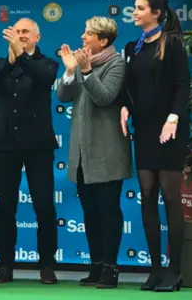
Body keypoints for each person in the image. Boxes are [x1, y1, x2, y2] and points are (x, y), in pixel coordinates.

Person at [0, 17, 60, 284]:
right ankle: (5, 265)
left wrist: (22, 56)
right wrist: (10, 59)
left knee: (44, 206)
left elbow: (44, 78)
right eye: (17, 32)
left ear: (37, 37)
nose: (21, 35)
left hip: (38, 145)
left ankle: (47, 265)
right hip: (5, 144)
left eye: (26, 32)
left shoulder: (47, 63)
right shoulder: (4, 64)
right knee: (5, 206)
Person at [120, 0, 190, 292]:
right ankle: (155, 270)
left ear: (157, 13)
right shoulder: (132, 47)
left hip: (170, 130)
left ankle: (176, 271)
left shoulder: (172, 43)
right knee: (147, 195)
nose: (134, 13)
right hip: (145, 130)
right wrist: (125, 107)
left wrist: (173, 119)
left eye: (140, 8)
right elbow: (129, 87)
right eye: (134, 8)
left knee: (170, 197)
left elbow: (183, 84)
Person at [56, 16, 132, 289]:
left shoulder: (116, 63)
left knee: (108, 209)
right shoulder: (80, 61)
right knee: (90, 210)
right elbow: (63, 96)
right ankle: (97, 264)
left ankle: (111, 268)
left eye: (89, 34)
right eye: (85, 32)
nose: (83, 37)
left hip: (107, 151)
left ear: (104, 40)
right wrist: (69, 72)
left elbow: (105, 97)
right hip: (81, 152)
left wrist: (86, 72)